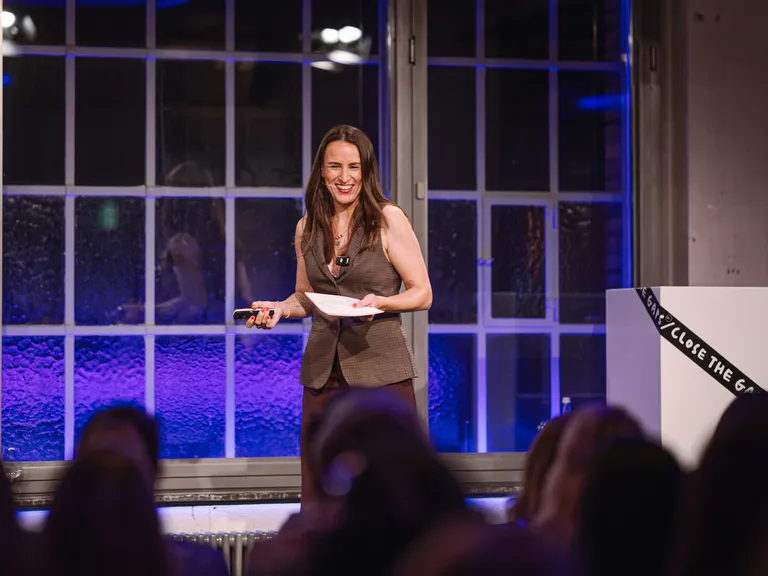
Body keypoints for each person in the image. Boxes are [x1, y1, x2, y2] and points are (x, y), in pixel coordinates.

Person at [245, 124, 432, 505]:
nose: (344, 177)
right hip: (322, 374)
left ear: (366, 171)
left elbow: (422, 293)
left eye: (354, 167)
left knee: (387, 488)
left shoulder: (387, 218)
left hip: (379, 372)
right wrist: (281, 309)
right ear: (321, 171)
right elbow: (306, 296)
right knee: (321, 485)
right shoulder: (307, 227)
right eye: (335, 166)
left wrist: (381, 303)